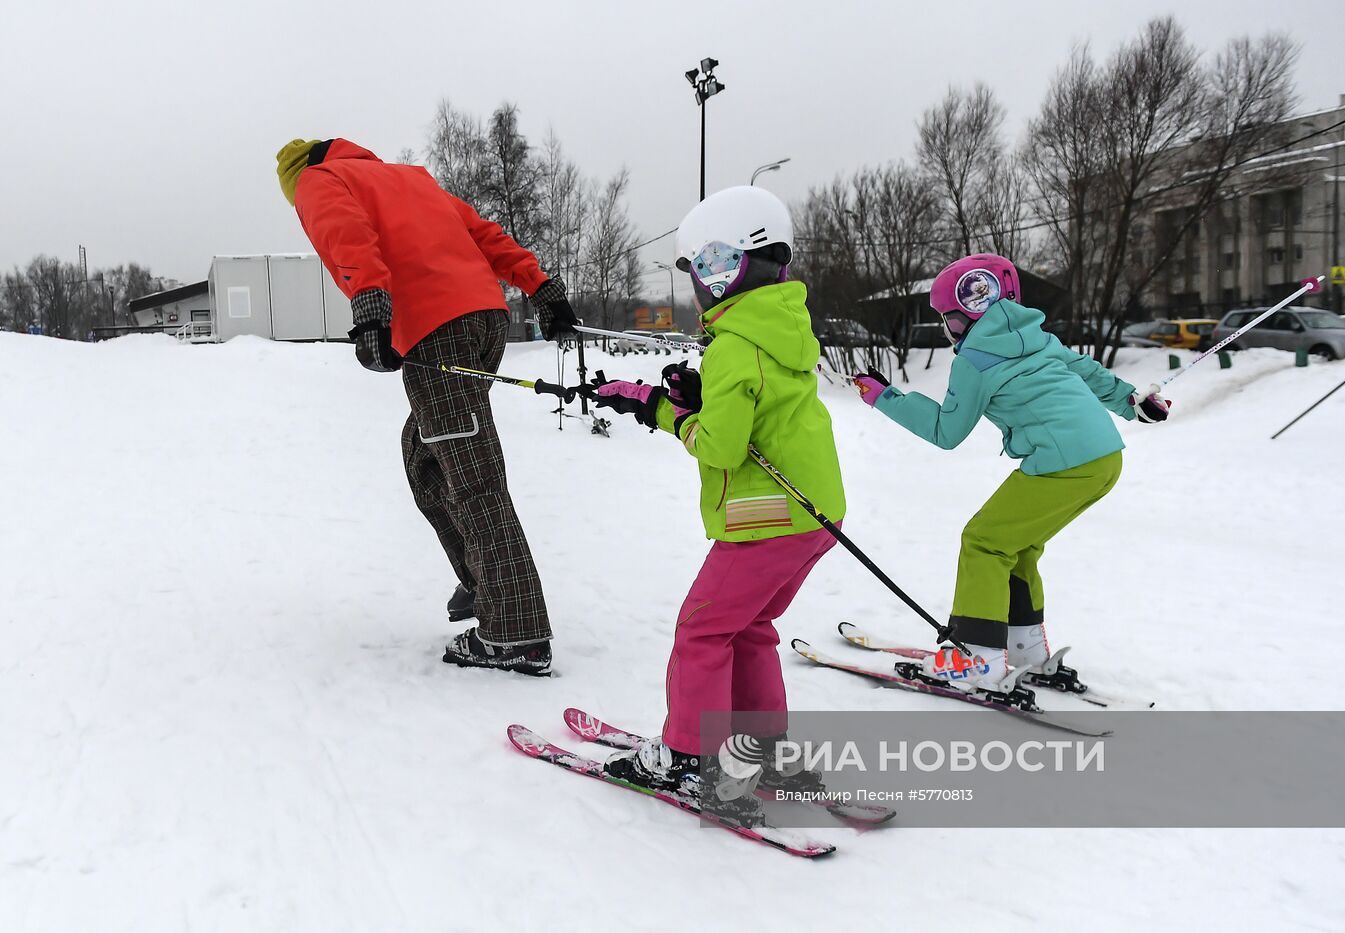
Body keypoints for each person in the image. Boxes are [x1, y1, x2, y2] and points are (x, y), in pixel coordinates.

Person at [586, 186, 845, 824]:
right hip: (816, 516)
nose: (703, 284)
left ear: (738, 267)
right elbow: (757, 407)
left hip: (767, 517)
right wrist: (697, 397)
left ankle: (689, 760)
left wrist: (671, 413)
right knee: (749, 626)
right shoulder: (781, 328)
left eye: (710, 268)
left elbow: (723, 448)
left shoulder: (733, 345)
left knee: (702, 630)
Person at [275, 137, 579, 676]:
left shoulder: (318, 182)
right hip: (485, 322)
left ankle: (515, 633)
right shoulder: (409, 179)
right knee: (425, 452)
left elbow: (347, 237)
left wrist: (370, 309)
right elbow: (486, 236)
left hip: (437, 331)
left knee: (472, 476)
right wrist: (541, 287)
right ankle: (485, 581)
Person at [853, 254, 1170, 695]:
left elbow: (946, 431)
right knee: (1017, 544)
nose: (949, 330)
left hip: (1063, 463)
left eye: (949, 319)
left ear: (964, 317)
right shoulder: (1037, 338)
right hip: (1103, 458)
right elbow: (1088, 373)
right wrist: (1133, 402)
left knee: (983, 541)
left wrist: (884, 398)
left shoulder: (975, 361)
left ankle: (977, 659)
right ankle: (1025, 651)